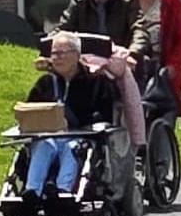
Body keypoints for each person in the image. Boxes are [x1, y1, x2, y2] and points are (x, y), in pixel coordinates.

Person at [16, 32, 118, 199]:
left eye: (62, 53)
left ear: (77, 55)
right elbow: (30, 112)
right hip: (49, 135)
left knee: (72, 148)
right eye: (54, 53)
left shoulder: (96, 82)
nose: (57, 57)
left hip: (80, 135)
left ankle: (63, 192)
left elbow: (105, 114)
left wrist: (77, 120)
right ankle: (32, 193)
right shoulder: (45, 83)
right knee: (42, 146)